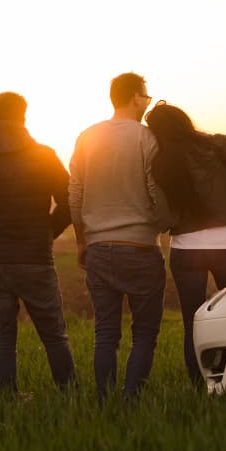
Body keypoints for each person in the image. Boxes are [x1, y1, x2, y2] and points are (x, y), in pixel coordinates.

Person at [0, 91, 77, 393]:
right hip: (35, 256)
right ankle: (70, 397)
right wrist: (47, 231)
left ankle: (6, 399)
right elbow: (70, 199)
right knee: (54, 334)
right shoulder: (43, 154)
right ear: (23, 116)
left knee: (2, 339)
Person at [69, 72, 168, 400]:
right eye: (147, 97)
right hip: (141, 248)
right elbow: (155, 188)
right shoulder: (146, 137)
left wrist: (82, 241)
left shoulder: (87, 137)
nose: (147, 102)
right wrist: (161, 223)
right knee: (144, 334)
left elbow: (75, 195)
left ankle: (105, 401)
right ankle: (130, 401)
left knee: (105, 334)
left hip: (98, 248)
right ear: (134, 97)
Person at [144, 101, 226, 385]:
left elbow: (164, 217)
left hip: (186, 248)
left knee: (192, 322)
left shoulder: (161, 162)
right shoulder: (222, 145)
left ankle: (200, 386)